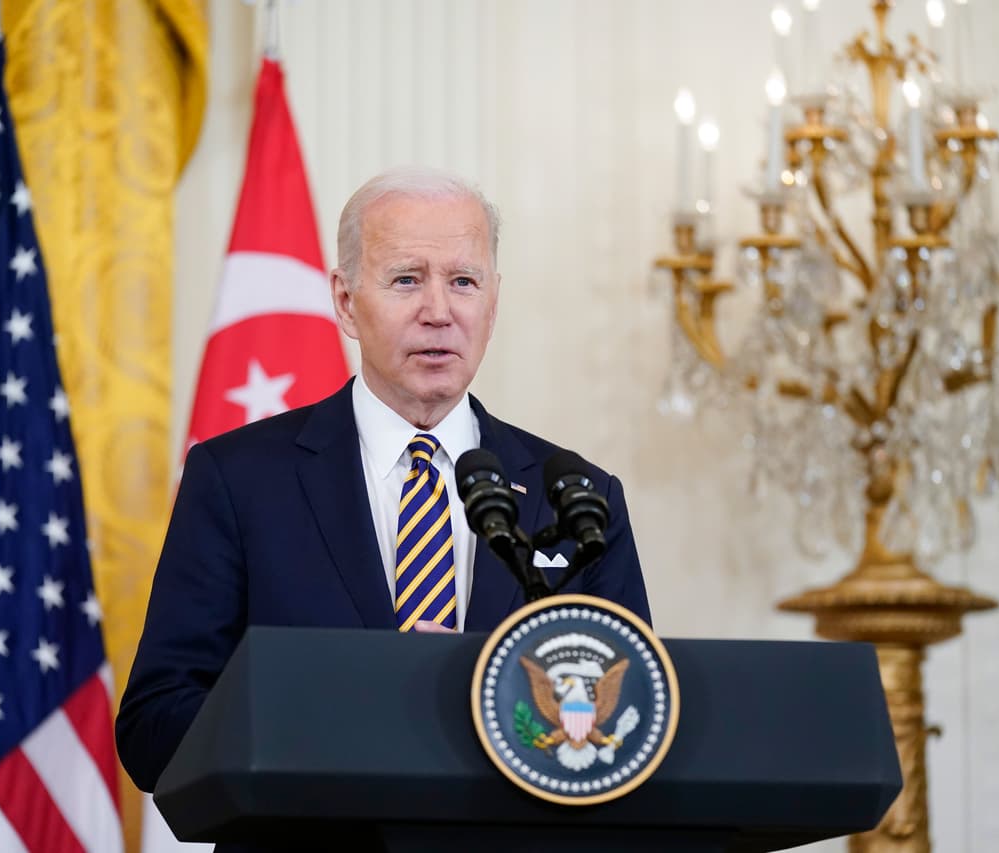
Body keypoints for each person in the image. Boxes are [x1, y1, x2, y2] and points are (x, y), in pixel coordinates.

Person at [115, 167, 651, 796]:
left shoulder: (580, 498)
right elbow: (154, 729)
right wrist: (349, 706)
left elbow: (630, 726)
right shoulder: (238, 480)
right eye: (405, 280)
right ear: (345, 301)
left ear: (493, 300)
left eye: (463, 282)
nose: (439, 312)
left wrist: (491, 696)